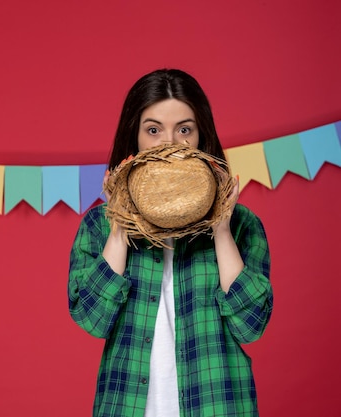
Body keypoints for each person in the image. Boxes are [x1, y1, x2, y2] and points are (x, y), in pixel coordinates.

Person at [68, 69, 273, 417]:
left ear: (200, 136)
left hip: (218, 405)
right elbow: (92, 320)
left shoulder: (242, 225)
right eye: (153, 130)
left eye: (184, 129)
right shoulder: (99, 226)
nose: (169, 144)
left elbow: (251, 325)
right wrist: (120, 226)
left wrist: (221, 228)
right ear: (134, 141)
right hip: (127, 406)